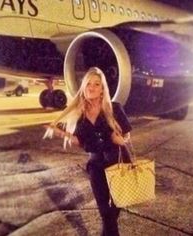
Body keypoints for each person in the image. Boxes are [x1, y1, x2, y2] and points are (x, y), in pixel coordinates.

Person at [43, 67, 132, 236]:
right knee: (105, 211)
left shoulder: (114, 108)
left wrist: (119, 139)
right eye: (88, 84)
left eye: (96, 84)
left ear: (102, 89)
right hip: (96, 165)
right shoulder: (79, 114)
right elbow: (80, 142)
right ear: (83, 87)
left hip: (119, 163)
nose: (91, 87)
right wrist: (61, 133)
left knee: (114, 208)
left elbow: (126, 134)